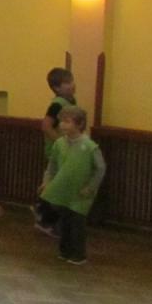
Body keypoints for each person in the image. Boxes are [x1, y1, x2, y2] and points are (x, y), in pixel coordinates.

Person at [39, 105, 105, 265]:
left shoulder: (89, 146)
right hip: (64, 190)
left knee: (77, 223)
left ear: (79, 124)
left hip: (81, 192)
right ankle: (65, 251)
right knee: (65, 221)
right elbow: (52, 165)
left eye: (67, 121)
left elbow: (100, 168)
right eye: (61, 121)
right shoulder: (59, 144)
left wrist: (91, 187)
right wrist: (46, 181)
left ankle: (78, 254)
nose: (62, 125)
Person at [36, 67, 78, 235]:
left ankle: (47, 215)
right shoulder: (57, 105)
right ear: (56, 88)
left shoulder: (70, 102)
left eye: (71, 80)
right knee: (54, 185)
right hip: (57, 153)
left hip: (65, 153)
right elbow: (46, 126)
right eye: (67, 83)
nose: (72, 84)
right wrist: (62, 143)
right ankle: (44, 215)